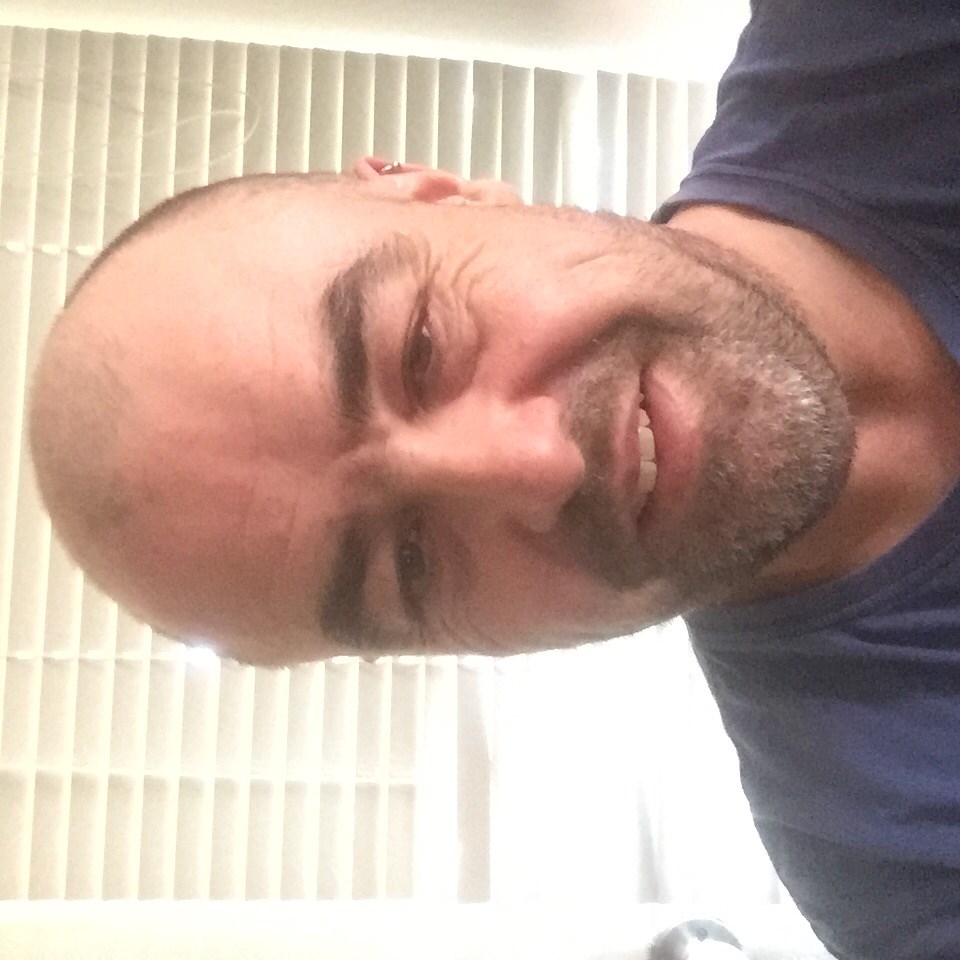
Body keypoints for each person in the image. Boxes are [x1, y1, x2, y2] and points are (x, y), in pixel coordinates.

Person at [26, 1, 960, 957]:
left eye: (420, 349)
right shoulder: (897, 865)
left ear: (440, 192)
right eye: (413, 564)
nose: (541, 465)